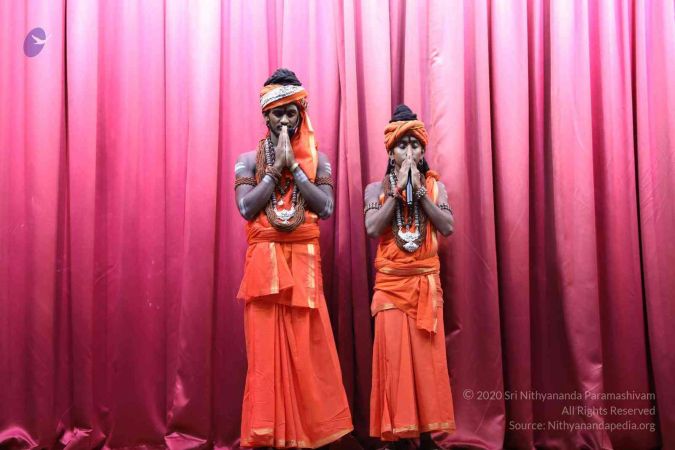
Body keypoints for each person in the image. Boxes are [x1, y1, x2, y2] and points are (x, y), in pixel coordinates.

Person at [234, 68, 352, 448]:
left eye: (291, 112)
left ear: (301, 115)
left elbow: (326, 207)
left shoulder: (320, 161)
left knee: (308, 353)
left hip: (304, 268)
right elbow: (246, 208)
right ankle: (271, 438)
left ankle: (307, 438)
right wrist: (273, 173)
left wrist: (296, 169)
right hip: (263, 271)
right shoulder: (247, 161)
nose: (285, 120)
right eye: (277, 113)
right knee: (265, 358)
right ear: (265, 116)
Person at [363, 104, 456, 449]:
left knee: (426, 364)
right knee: (395, 363)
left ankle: (427, 437)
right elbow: (373, 228)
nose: (409, 152)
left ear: (423, 151)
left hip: (425, 287)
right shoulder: (375, 189)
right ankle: (399, 437)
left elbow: (447, 226)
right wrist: (398, 191)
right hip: (390, 289)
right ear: (390, 152)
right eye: (402, 145)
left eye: (415, 145)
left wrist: (419, 193)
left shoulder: (436, 188)